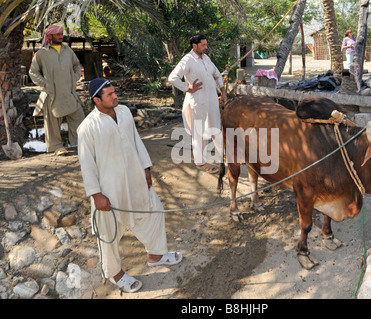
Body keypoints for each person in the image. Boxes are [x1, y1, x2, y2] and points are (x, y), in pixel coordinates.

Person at [77, 78, 182, 293]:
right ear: (97, 100)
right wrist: (96, 195)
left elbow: (136, 141)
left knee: (154, 210)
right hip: (109, 188)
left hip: (135, 179)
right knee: (108, 232)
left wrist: (146, 169)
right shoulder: (87, 127)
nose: (115, 96)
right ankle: (115, 273)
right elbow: (86, 164)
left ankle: (156, 254)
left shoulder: (124, 112)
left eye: (115, 92)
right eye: (109, 94)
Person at [168, 33, 227, 174]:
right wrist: (188, 89)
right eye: (203, 45)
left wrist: (223, 91)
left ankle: (225, 155)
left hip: (212, 100)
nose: (206, 47)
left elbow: (217, 74)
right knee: (199, 132)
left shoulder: (206, 58)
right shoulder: (187, 60)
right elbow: (172, 78)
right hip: (198, 102)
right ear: (194, 46)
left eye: (206, 44)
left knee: (216, 128)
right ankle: (201, 163)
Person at [29, 25, 85, 155]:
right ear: (50, 36)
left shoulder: (68, 50)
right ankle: (56, 147)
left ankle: (79, 143)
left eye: (61, 34)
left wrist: (75, 77)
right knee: (52, 123)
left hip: (69, 92)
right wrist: (45, 84)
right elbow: (33, 72)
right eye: (58, 34)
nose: (61, 36)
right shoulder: (41, 54)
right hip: (52, 94)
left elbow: (76, 65)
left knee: (78, 118)